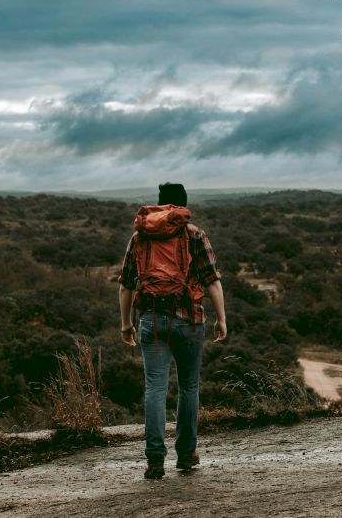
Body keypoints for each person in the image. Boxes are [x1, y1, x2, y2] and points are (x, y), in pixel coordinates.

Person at [118, 182, 227, 479]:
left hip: (152, 321)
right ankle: (187, 455)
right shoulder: (193, 234)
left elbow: (126, 284)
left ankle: (155, 459)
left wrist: (126, 323)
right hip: (189, 320)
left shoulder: (140, 236)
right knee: (189, 387)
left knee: (155, 388)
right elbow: (212, 280)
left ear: (160, 203)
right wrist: (221, 319)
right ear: (183, 204)